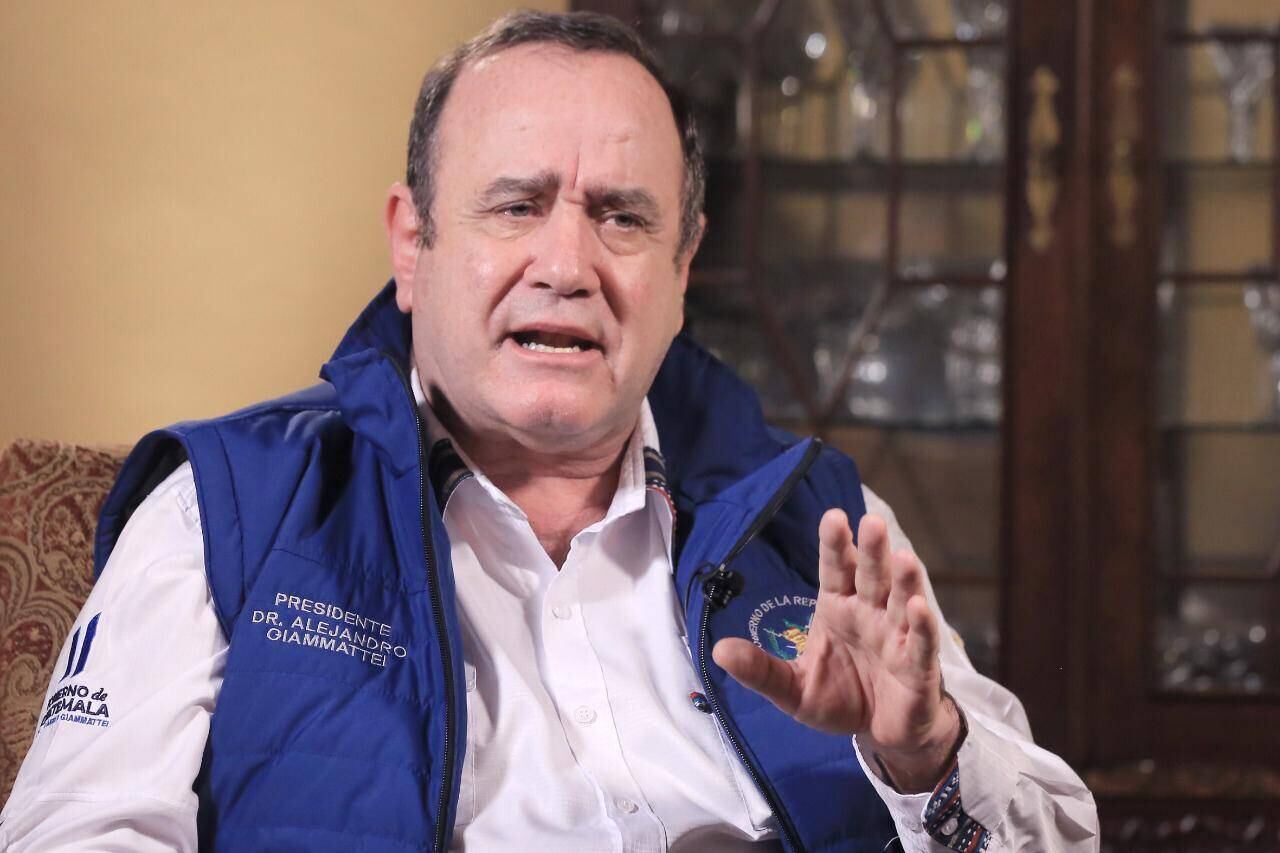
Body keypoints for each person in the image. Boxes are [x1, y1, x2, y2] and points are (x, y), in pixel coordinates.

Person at [0, 10, 1098, 852]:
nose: (567, 266)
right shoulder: (227, 508)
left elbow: (1055, 831)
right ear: (412, 242)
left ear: (682, 268)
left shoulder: (817, 520)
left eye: (622, 216)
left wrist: (926, 757)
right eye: (516, 205)